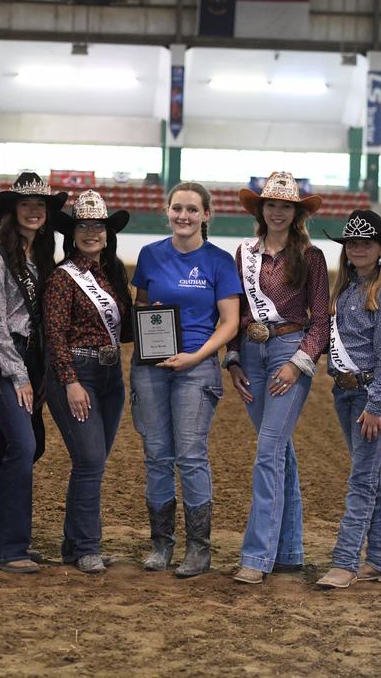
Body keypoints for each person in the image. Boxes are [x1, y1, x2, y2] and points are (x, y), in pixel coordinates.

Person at [130, 181, 242, 578]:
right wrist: (150, 312)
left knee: (191, 456)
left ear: (206, 215)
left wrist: (195, 355)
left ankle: (199, 549)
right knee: (157, 455)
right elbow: (142, 306)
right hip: (151, 366)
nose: (184, 216)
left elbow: (229, 322)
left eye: (193, 210)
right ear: (167, 211)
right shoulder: (150, 255)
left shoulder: (219, 261)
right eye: (177, 208)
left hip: (197, 367)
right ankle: (161, 544)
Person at [223, 171, 329, 585]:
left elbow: (320, 321)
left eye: (286, 206)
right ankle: (289, 551)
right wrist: (232, 360)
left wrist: (298, 362)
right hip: (250, 353)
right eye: (271, 205)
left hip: (288, 351)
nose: (278, 211)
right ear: (261, 210)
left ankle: (256, 556)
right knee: (279, 450)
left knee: (267, 451)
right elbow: (235, 313)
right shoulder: (244, 254)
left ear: (296, 212)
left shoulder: (312, 257)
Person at [315, 210, 381, 589]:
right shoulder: (344, 291)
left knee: (361, 479)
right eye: (352, 243)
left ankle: (345, 562)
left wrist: (376, 406)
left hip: (372, 395)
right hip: (345, 390)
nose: (357, 249)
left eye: (365, 243)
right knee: (374, 475)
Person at [0, 172, 66, 574]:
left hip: (30, 359)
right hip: (2, 361)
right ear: (13, 211)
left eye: (40, 205)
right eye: (26, 204)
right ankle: (10, 546)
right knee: (25, 447)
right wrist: (20, 375)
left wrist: (38, 369)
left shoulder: (42, 260)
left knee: (9, 446)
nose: (34, 211)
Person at [44, 190, 133, 574]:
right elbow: (55, 334)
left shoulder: (113, 274)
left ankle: (74, 543)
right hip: (78, 375)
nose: (91, 232)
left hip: (111, 375)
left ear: (108, 233)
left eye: (98, 226)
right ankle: (86, 546)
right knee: (91, 460)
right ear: (73, 232)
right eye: (84, 226)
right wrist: (70, 381)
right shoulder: (63, 279)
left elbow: (126, 330)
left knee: (92, 461)